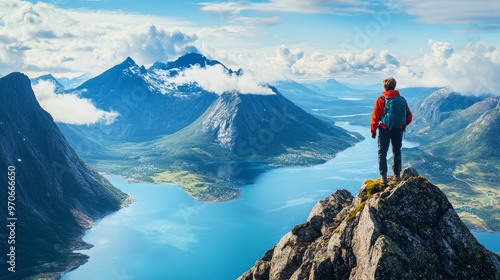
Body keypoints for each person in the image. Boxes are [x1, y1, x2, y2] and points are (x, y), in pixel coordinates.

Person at [370, 77, 412, 184]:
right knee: (396, 151)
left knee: (382, 152)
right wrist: (403, 125)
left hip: (384, 128)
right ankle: (397, 175)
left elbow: (375, 116)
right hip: (398, 129)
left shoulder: (381, 99)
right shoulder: (402, 99)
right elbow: (409, 116)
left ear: (385, 87)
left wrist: (373, 130)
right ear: (394, 86)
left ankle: (383, 177)